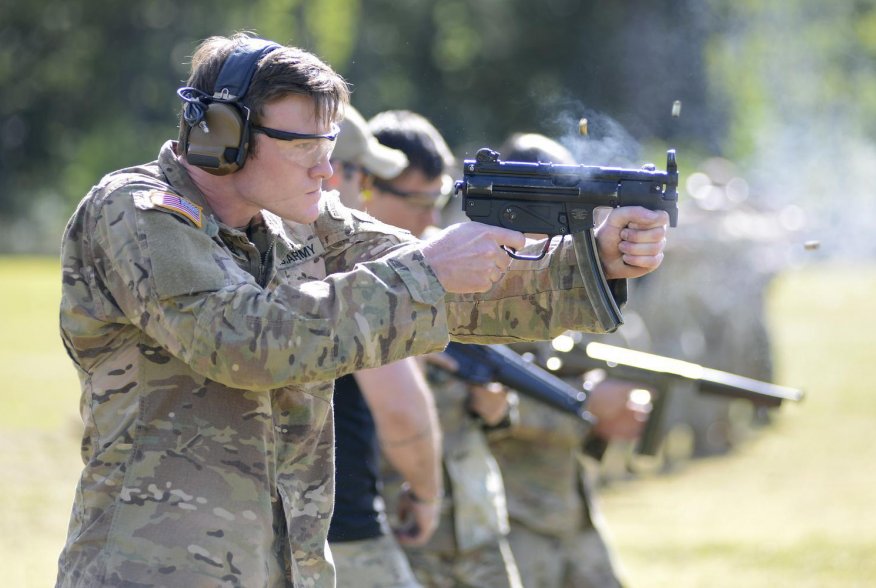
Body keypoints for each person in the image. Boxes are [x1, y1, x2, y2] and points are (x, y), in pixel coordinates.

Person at [55, 33, 669, 587]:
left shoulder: (304, 221)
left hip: (283, 567)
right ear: (224, 134)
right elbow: (243, 341)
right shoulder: (138, 212)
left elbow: (457, 287)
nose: (328, 169)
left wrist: (592, 258)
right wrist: (426, 273)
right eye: (306, 146)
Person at [365, 110, 523, 588]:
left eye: (437, 200)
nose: (431, 219)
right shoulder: (337, 288)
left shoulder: (453, 268)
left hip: (473, 524)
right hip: (396, 529)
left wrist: (495, 410)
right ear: (367, 187)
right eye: (418, 200)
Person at [487, 132, 652, 588]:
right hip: (508, 523)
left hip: (573, 513)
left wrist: (610, 415)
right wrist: (586, 406)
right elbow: (475, 402)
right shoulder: (478, 286)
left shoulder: (573, 281)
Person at [325, 105, 442, 588]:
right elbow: (401, 412)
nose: (364, 193)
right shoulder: (343, 260)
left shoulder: (242, 244)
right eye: (363, 176)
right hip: (342, 532)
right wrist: (427, 495)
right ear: (336, 173)